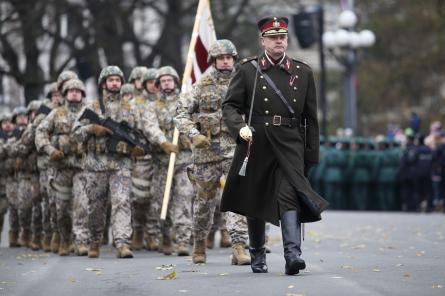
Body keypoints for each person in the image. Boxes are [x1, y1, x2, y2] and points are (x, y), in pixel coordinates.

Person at [221, 16, 328, 275]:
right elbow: (230, 106)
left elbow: (310, 119)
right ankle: (257, 255)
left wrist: (311, 154)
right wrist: (240, 127)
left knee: (290, 195)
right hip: (257, 141)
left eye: (283, 37)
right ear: (263, 41)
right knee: (255, 199)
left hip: (290, 142)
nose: (279, 41)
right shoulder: (248, 70)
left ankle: (293, 255)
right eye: (273, 37)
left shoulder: (303, 72)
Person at [175, 39, 250, 265]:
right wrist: (192, 133)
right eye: (221, 58)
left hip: (234, 151)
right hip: (206, 155)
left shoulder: (243, 82)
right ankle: (199, 243)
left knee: (236, 198)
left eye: (229, 57)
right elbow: (180, 113)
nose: (226, 61)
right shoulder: (201, 85)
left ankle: (239, 247)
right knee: (204, 203)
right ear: (213, 61)